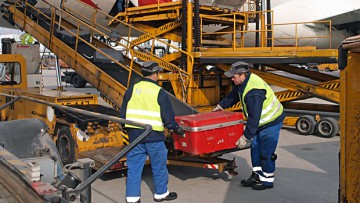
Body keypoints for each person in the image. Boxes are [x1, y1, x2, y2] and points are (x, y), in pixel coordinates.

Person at [213, 61, 285, 190]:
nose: (232, 79)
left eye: (234, 76)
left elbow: (254, 118)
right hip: (260, 123)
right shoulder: (243, 83)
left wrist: (245, 137)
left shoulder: (254, 92)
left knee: (265, 153)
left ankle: (267, 181)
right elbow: (234, 95)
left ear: (242, 75)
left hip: (270, 122)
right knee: (255, 151)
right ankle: (257, 175)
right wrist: (221, 106)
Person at [119, 61, 184, 203]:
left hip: (135, 138)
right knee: (159, 167)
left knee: (134, 169)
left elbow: (122, 114)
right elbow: (167, 116)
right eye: (158, 74)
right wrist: (175, 128)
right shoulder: (159, 92)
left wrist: (127, 130)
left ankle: (132, 198)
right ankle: (160, 194)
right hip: (154, 137)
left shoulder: (131, 90)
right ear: (154, 75)